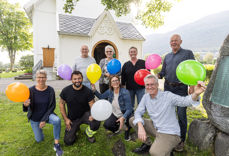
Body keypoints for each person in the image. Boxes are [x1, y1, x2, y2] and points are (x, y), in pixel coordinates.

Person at [130, 74, 206, 155]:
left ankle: (167, 149)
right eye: (147, 85)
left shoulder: (168, 96)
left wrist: (196, 94)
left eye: (152, 84)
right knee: (132, 120)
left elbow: (185, 101)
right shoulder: (146, 97)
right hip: (156, 127)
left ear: (157, 85)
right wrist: (140, 126)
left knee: (154, 152)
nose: (150, 87)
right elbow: (138, 112)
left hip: (170, 133)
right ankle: (148, 144)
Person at [157, 34, 195, 151]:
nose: (173, 42)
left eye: (176, 41)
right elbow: (163, 72)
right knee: (169, 115)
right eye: (172, 41)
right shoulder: (167, 56)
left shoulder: (187, 53)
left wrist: (192, 86)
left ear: (180, 41)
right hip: (168, 88)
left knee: (181, 115)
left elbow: (192, 69)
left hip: (181, 89)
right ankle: (171, 138)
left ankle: (181, 141)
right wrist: (155, 76)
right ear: (170, 43)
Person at [23, 70, 63, 156]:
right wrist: (25, 105)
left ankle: (56, 144)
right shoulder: (30, 90)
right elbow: (26, 109)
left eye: (43, 77)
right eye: (39, 77)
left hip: (47, 115)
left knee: (57, 120)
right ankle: (39, 129)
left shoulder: (50, 90)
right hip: (35, 117)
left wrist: (44, 120)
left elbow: (52, 106)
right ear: (36, 78)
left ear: (46, 78)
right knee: (39, 140)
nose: (41, 79)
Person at [59, 71, 100, 145]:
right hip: (73, 118)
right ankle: (76, 128)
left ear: (82, 79)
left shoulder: (88, 91)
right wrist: (66, 119)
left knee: (96, 121)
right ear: (71, 80)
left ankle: (88, 134)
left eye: (79, 78)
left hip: (85, 115)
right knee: (68, 141)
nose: (77, 81)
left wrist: (93, 115)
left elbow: (92, 104)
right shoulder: (66, 90)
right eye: (75, 79)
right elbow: (61, 104)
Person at [91, 75, 133, 141]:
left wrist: (123, 117)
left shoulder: (125, 92)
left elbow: (129, 109)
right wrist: (94, 90)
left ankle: (127, 130)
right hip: (115, 113)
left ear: (119, 82)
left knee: (127, 126)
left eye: (116, 80)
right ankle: (117, 127)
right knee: (106, 125)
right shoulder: (110, 91)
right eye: (113, 81)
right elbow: (101, 97)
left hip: (125, 113)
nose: (115, 82)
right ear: (111, 83)